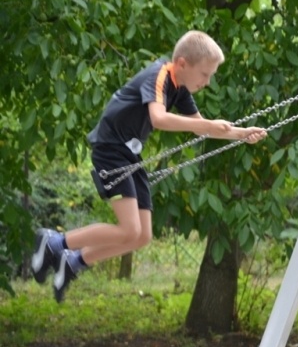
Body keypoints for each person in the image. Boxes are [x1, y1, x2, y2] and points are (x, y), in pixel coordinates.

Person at [31, 30, 267, 302]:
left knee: (141, 236)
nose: (207, 82)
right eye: (205, 74)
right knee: (129, 230)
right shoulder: (160, 75)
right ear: (182, 63)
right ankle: (55, 242)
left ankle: (74, 262)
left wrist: (242, 133)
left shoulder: (180, 88)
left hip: (130, 156)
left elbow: (202, 128)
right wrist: (208, 125)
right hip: (110, 150)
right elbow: (159, 118)